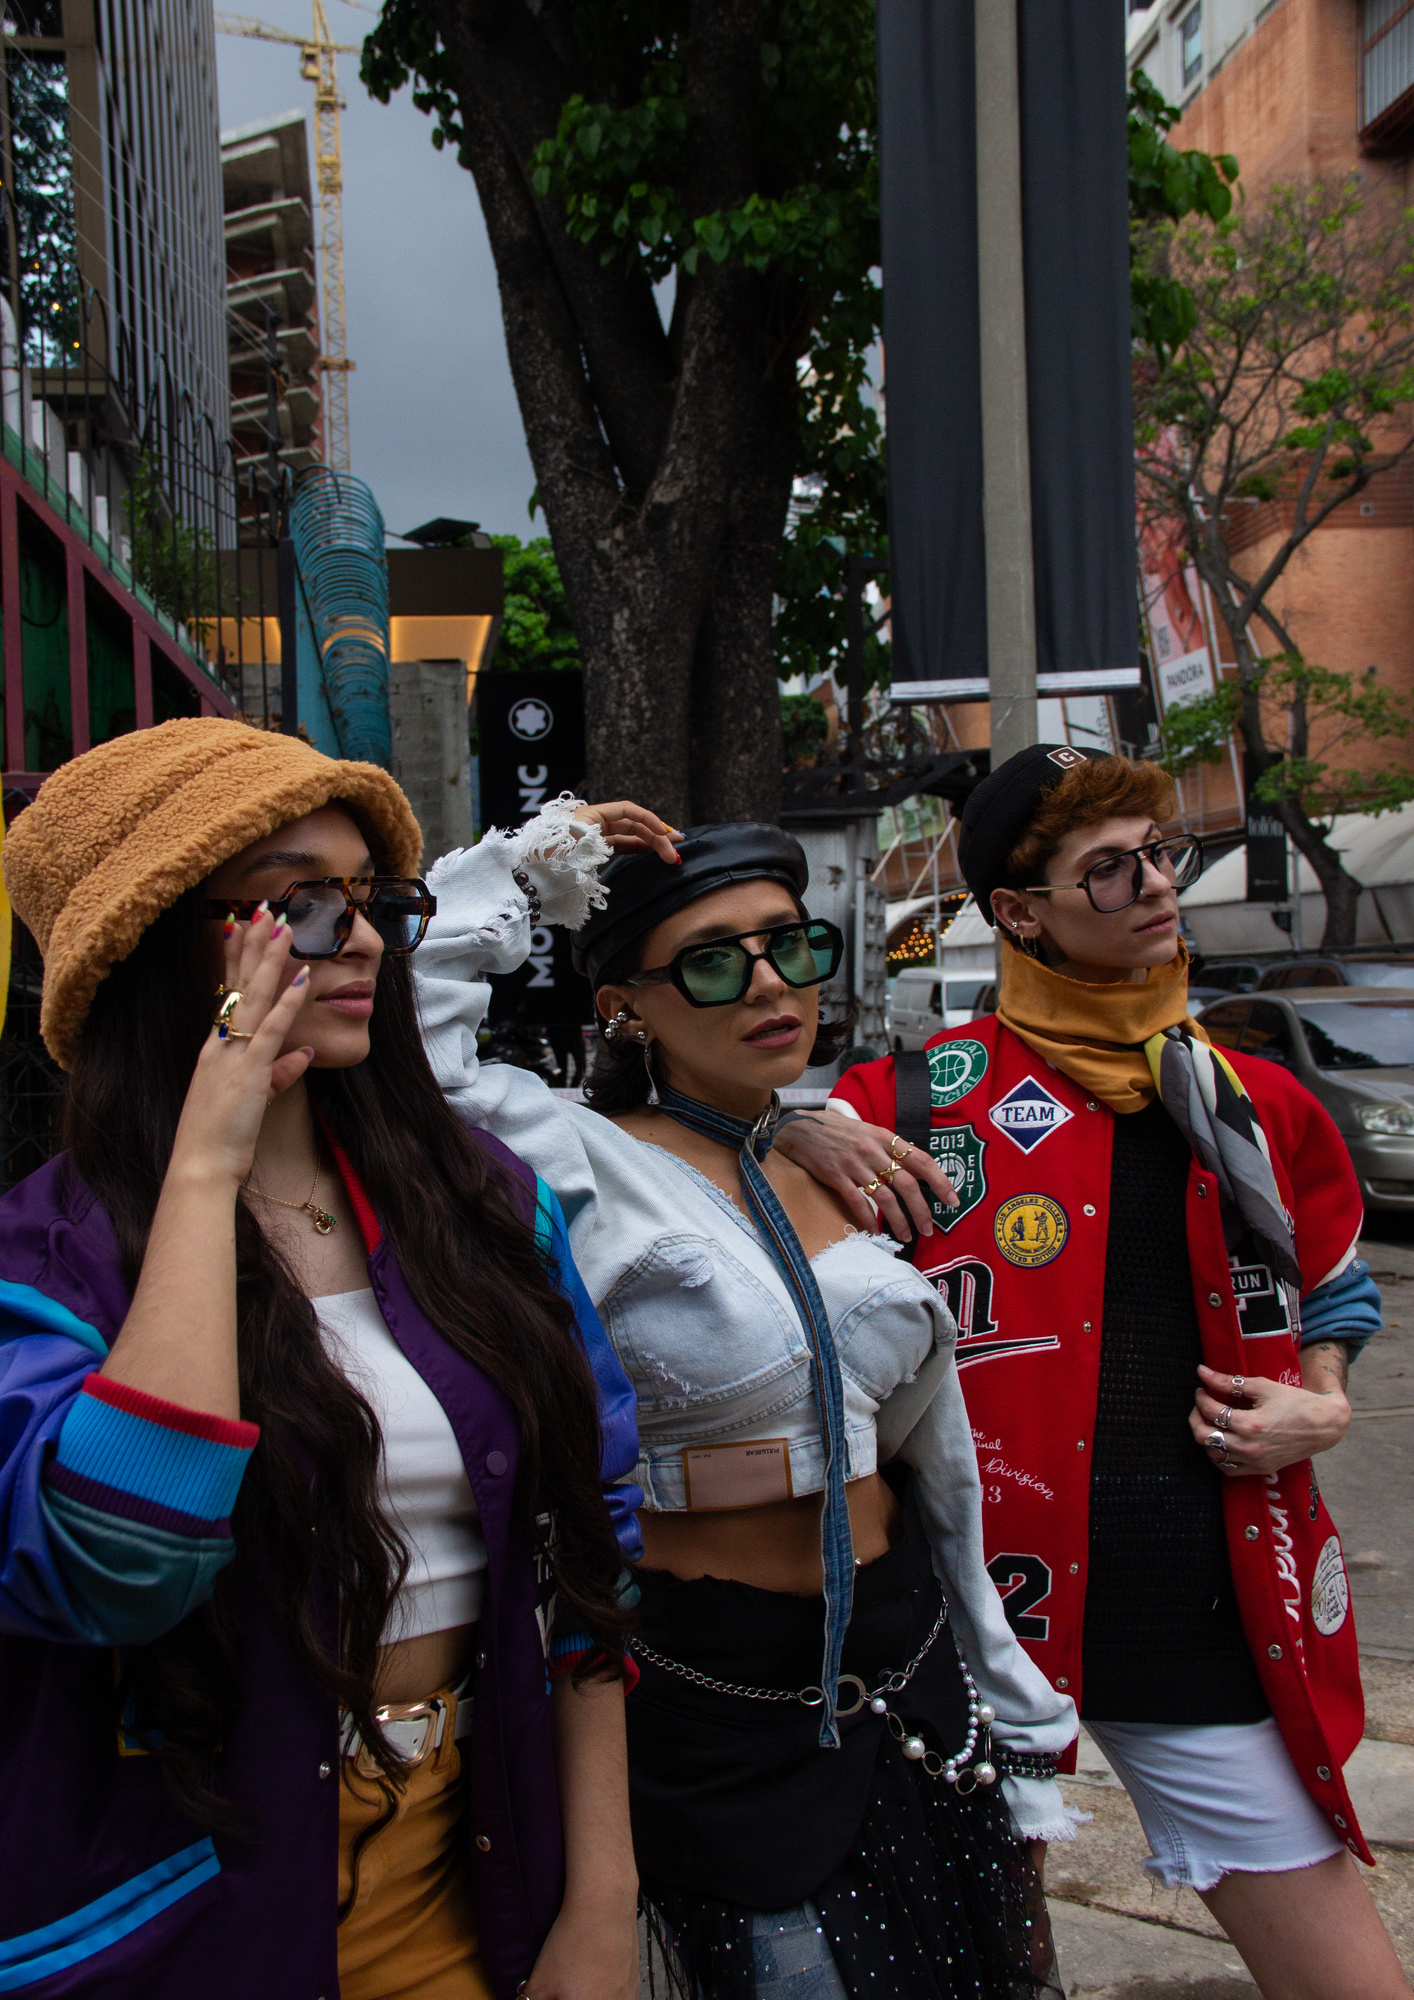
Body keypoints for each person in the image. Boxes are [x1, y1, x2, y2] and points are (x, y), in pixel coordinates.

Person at [0, 718, 644, 2000]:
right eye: (296, 903)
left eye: (373, 900)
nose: (358, 939)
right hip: (188, 1910)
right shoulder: (46, 1261)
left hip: (475, 1868)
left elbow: (591, 1540)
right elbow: (124, 1559)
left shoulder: (478, 1203)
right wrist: (208, 1161)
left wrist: (602, 1898)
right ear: (149, 943)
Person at [413, 804, 1080, 2000]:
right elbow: (415, 1043)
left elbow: (936, 1461)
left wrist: (1008, 1694)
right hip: (717, 1688)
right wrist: (532, 855)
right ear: (623, 1005)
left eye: (791, 944)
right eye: (714, 961)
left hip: (912, 1661)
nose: (771, 983)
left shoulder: (844, 1146)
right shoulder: (579, 1156)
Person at [774, 745, 1408, 2000]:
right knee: (980, 1968)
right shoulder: (908, 1100)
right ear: (1018, 910)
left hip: (1198, 1602)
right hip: (958, 1622)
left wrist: (1322, 1397)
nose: (1158, 885)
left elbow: (1333, 1285)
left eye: (1161, 854)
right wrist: (785, 1128)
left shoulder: (1253, 1098)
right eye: (1110, 868)